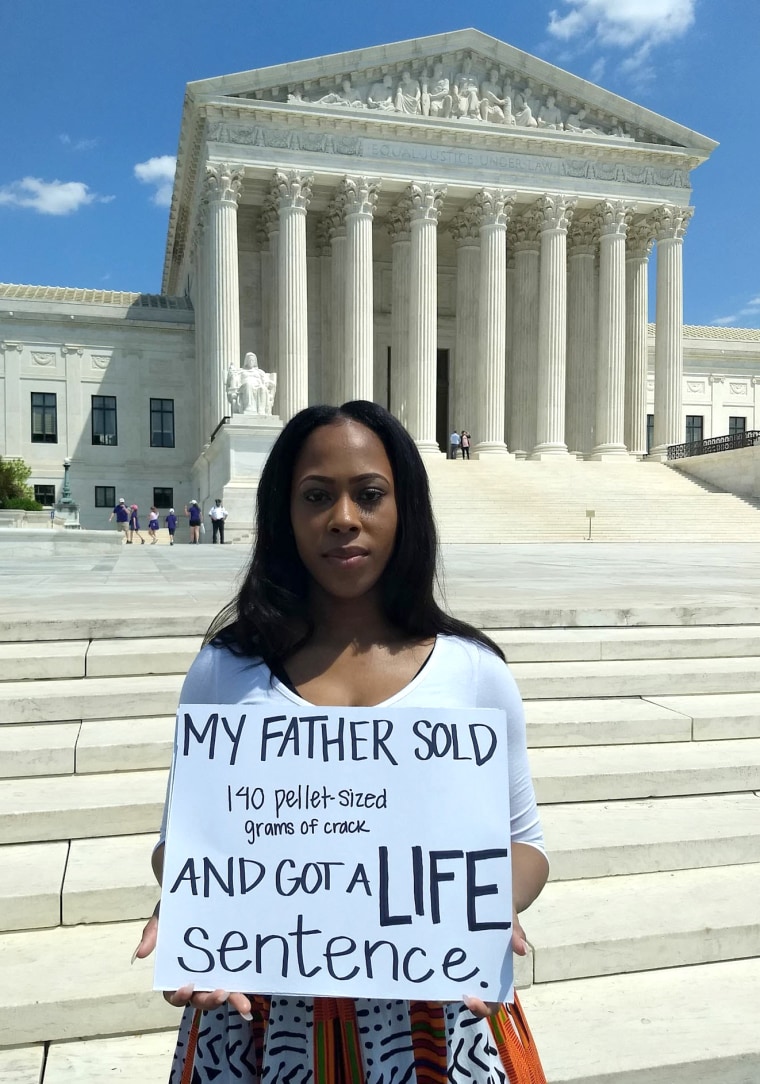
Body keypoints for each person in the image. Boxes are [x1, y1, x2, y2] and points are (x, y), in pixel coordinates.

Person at [134, 400, 548, 1084]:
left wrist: (483, 904)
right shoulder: (224, 670)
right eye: (317, 496)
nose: (344, 518)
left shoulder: (474, 672)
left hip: (435, 1011)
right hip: (263, 1012)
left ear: (404, 509)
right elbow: (182, 839)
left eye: (370, 494)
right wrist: (192, 906)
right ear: (284, 515)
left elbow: (525, 844)